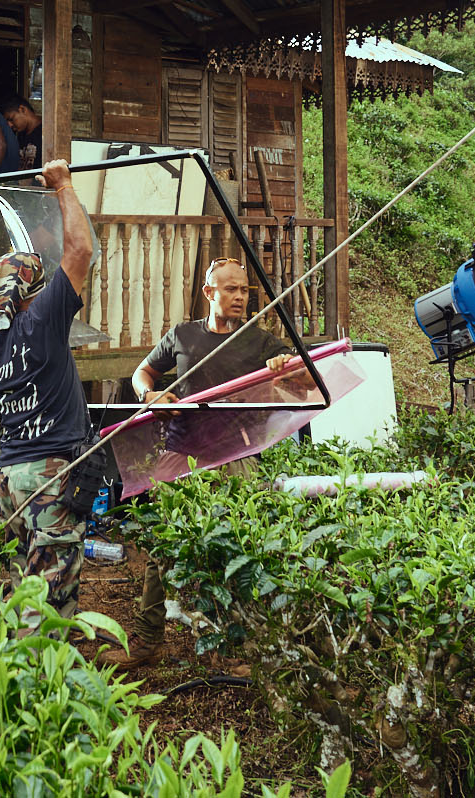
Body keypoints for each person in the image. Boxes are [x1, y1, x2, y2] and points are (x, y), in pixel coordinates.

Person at [121, 257, 300, 665]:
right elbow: (143, 373)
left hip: (236, 455)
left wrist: (282, 367)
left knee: (238, 548)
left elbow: (299, 381)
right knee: (161, 548)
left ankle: (236, 645)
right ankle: (147, 640)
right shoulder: (183, 336)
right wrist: (148, 396)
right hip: (180, 453)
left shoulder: (261, 342)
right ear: (209, 293)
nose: (239, 297)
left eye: (244, 291)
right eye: (231, 289)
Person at [0, 158, 94, 627]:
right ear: (33, 293)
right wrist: (64, 186)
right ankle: (36, 687)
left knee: (17, 589)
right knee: (45, 605)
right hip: (50, 478)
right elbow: (80, 251)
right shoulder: (43, 320)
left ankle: (5, 676)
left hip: (10, 482)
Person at [2, 98, 43, 169]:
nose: (10, 125)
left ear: (22, 109)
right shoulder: (20, 135)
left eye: (11, 119)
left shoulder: (44, 132)